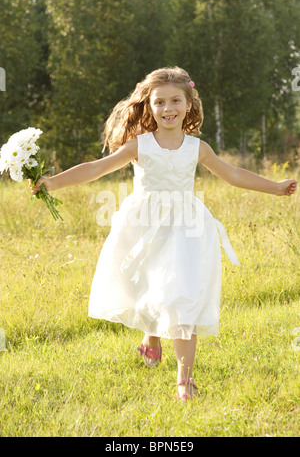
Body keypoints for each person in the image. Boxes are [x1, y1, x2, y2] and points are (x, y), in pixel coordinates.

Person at [29, 66, 298, 400]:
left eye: (175, 101)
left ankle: (185, 380)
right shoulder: (138, 145)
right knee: (145, 285)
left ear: (188, 105)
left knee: (181, 294)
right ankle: (151, 335)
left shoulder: (197, 148)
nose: (168, 108)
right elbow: (97, 169)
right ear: (149, 106)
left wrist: (274, 187)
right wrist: (52, 182)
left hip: (187, 226)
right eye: (159, 102)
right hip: (143, 223)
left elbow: (232, 174)